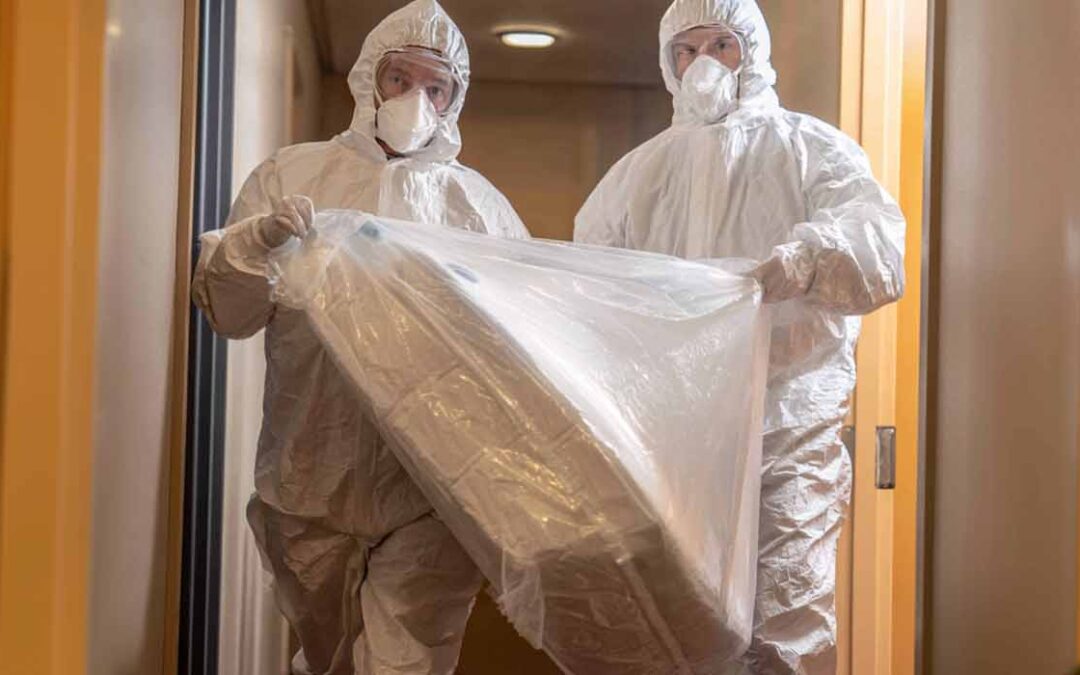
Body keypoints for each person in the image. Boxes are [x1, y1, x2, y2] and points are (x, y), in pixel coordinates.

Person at [192, 1, 528, 673]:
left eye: (438, 89)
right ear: (369, 77)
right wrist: (257, 243)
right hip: (310, 473)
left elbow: (518, 350)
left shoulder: (479, 208)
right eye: (401, 79)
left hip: (431, 481)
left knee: (406, 661)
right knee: (329, 657)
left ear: (456, 98)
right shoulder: (292, 176)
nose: (417, 101)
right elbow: (229, 314)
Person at [574, 0, 905, 672]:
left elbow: (881, 253)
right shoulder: (636, 176)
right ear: (667, 64)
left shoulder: (814, 149)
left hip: (789, 423)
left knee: (788, 610)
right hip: (674, 434)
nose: (703, 65)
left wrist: (809, 258)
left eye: (722, 45)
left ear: (753, 50)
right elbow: (592, 290)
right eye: (686, 51)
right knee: (680, 620)